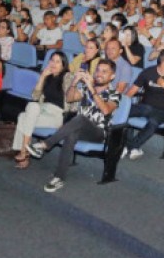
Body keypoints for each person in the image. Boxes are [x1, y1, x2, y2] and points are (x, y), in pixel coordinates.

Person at [25, 60, 120, 193]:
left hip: (98, 133)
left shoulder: (114, 94)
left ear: (112, 76)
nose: (99, 74)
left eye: (105, 71)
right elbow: (70, 99)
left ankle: (46, 144)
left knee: (80, 118)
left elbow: (105, 110)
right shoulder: (86, 87)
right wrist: (75, 82)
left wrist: (91, 88)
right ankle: (59, 177)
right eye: (98, 70)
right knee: (72, 134)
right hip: (80, 128)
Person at [13, 52, 75, 170]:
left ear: (63, 64)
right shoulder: (47, 76)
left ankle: (23, 151)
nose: (53, 64)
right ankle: (25, 151)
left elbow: (72, 100)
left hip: (57, 114)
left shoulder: (67, 77)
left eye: (58, 62)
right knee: (30, 109)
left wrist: (68, 121)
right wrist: (42, 77)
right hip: (42, 109)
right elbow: (35, 97)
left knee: (23, 116)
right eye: (52, 60)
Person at [123, 49, 164, 160]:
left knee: (153, 122)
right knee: (125, 113)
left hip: (163, 110)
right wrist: (122, 105)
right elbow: (131, 91)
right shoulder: (148, 72)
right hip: (144, 107)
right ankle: (131, 146)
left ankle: (129, 146)